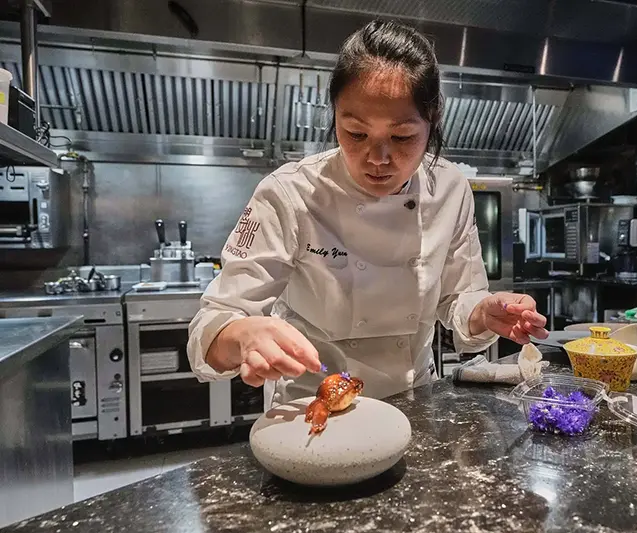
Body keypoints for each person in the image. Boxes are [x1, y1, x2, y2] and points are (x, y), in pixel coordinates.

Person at [187, 19, 548, 409]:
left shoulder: (449, 187)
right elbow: (211, 325)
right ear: (335, 115)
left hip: (413, 403)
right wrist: (241, 334)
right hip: (314, 407)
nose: (378, 159)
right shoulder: (289, 192)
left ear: (432, 122)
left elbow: (457, 299)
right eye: (356, 134)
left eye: (402, 137)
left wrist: (483, 312)